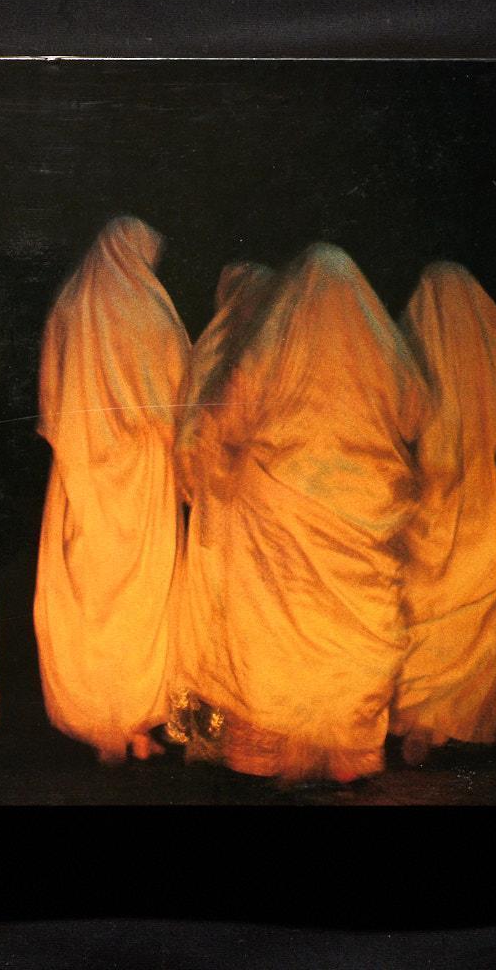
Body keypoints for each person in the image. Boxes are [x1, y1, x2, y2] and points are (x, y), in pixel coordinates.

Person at [183, 243, 427, 783]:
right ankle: (346, 754)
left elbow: (228, 413)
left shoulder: (273, 344)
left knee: (278, 627)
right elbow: (415, 411)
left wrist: (216, 473)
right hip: (364, 504)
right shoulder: (383, 351)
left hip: (280, 508)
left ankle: (268, 750)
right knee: (350, 632)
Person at [33, 216, 190, 764]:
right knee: (142, 596)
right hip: (142, 475)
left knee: (92, 593)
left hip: (82, 473)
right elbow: (181, 389)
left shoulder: (69, 306)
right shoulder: (152, 310)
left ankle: (105, 719)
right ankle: (134, 717)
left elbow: (51, 395)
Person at [392, 262, 496, 765]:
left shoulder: (411, 355)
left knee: (426, 615)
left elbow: (401, 421)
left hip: (430, 513)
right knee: (471, 625)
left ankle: (417, 722)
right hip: (489, 514)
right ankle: (447, 723)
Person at [166, 262, 275, 750]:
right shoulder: (243, 353)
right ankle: (224, 721)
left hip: (238, 511)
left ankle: (235, 721)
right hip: (237, 510)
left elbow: (193, 433)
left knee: (230, 612)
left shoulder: (234, 352)